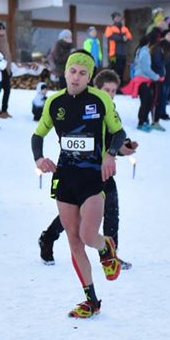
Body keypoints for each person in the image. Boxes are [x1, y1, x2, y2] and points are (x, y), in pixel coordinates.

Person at [32, 50, 126, 318]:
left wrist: (110, 155)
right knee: (73, 241)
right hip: (65, 179)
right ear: (65, 73)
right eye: (73, 71)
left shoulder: (100, 101)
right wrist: (39, 158)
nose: (76, 76)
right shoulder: (54, 102)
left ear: (89, 77)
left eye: (83, 73)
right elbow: (37, 135)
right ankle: (91, 300)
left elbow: (118, 133)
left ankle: (105, 247)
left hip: (93, 179)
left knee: (87, 236)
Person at [38, 69, 136, 268]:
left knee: (111, 210)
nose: (109, 94)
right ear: (95, 88)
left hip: (103, 172)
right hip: (81, 172)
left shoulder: (109, 109)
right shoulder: (86, 106)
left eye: (113, 91)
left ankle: (110, 256)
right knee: (74, 215)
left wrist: (123, 148)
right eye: (106, 89)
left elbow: (113, 139)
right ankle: (49, 236)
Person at [0, 21, 14, 118]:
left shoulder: (5, 39)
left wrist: (9, 68)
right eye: (0, 28)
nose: (2, 30)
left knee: (7, 90)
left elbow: (8, 55)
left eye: (3, 28)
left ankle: (4, 110)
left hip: (6, 69)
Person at [104, 12, 132, 81]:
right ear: (113, 19)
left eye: (119, 17)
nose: (118, 19)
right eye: (116, 17)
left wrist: (125, 38)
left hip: (123, 54)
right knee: (113, 70)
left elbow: (129, 37)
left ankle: (120, 86)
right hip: (113, 54)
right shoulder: (109, 28)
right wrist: (122, 38)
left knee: (122, 71)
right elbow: (109, 36)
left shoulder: (125, 28)